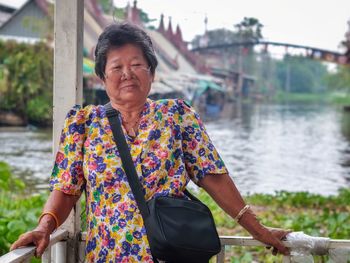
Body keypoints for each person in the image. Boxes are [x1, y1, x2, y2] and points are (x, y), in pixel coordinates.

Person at [11, 22, 290, 262]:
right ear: (102, 77)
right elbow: (67, 189)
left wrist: (258, 229)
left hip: (171, 255)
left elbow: (213, 176)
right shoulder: (83, 124)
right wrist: (44, 226)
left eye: (136, 65)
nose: (127, 74)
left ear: (152, 73)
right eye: (116, 67)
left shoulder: (177, 115)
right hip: (107, 255)